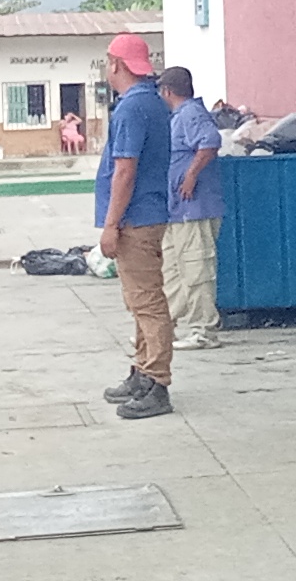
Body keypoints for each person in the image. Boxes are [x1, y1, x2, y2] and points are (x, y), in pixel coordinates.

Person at [92, 32, 174, 419]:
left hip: (135, 217)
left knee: (147, 302)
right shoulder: (152, 102)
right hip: (149, 213)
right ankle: (143, 371)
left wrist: (111, 225)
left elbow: (125, 171)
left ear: (116, 64)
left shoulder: (130, 108)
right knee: (140, 300)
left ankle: (156, 381)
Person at [156, 67, 224, 350]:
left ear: (167, 91)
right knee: (172, 271)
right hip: (177, 210)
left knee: (196, 270)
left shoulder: (191, 114)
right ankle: (164, 327)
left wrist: (191, 175)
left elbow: (210, 142)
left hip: (195, 208)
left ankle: (204, 330)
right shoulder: (177, 117)